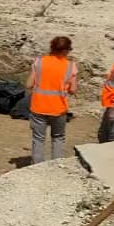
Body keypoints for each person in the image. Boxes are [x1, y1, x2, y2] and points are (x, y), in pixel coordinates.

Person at [25, 36, 78, 164]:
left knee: (38, 139)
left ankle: (37, 167)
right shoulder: (71, 66)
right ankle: (56, 166)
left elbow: (29, 84)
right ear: (67, 50)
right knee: (58, 138)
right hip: (58, 108)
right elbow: (73, 89)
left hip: (39, 106)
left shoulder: (39, 62)